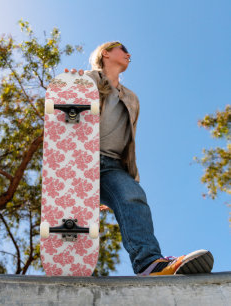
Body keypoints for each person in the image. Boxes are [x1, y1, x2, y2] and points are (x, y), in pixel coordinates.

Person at [65, 41, 214, 276]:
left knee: (133, 196)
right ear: (106, 53)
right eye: (122, 50)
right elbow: (64, 110)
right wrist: (71, 85)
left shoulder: (132, 98)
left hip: (112, 166)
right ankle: (68, 264)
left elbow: (128, 141)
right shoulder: (86, 80)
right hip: (82, 158)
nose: (128, 54)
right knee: (74, 220)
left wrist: (118, 184)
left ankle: (150, 264)